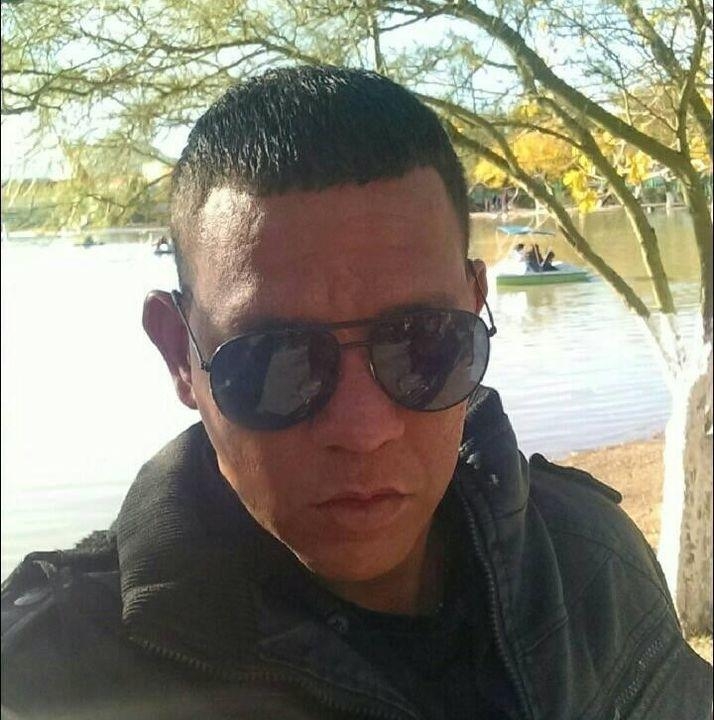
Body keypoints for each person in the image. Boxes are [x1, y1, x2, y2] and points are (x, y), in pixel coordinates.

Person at [2, 66, 711, 720]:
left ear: (475, 304)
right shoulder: (47, 676)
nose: (364, 429)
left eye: (423, 342)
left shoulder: (590, 560)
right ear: (179, 356)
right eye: (274, 360)